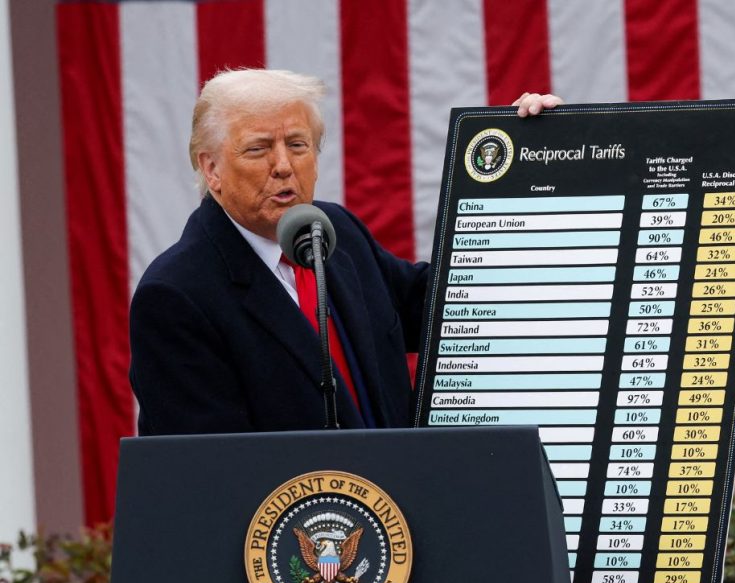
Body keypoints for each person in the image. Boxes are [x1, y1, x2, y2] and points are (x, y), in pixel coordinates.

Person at [129, 68, 561, 435]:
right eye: (258, 148)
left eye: (297, 145)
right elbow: (210, 473)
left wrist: (529, 162)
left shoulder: (335, 232)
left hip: (403, 512)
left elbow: (446, 305)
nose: (283, 165)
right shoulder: (176, 295)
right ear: (211, 168)